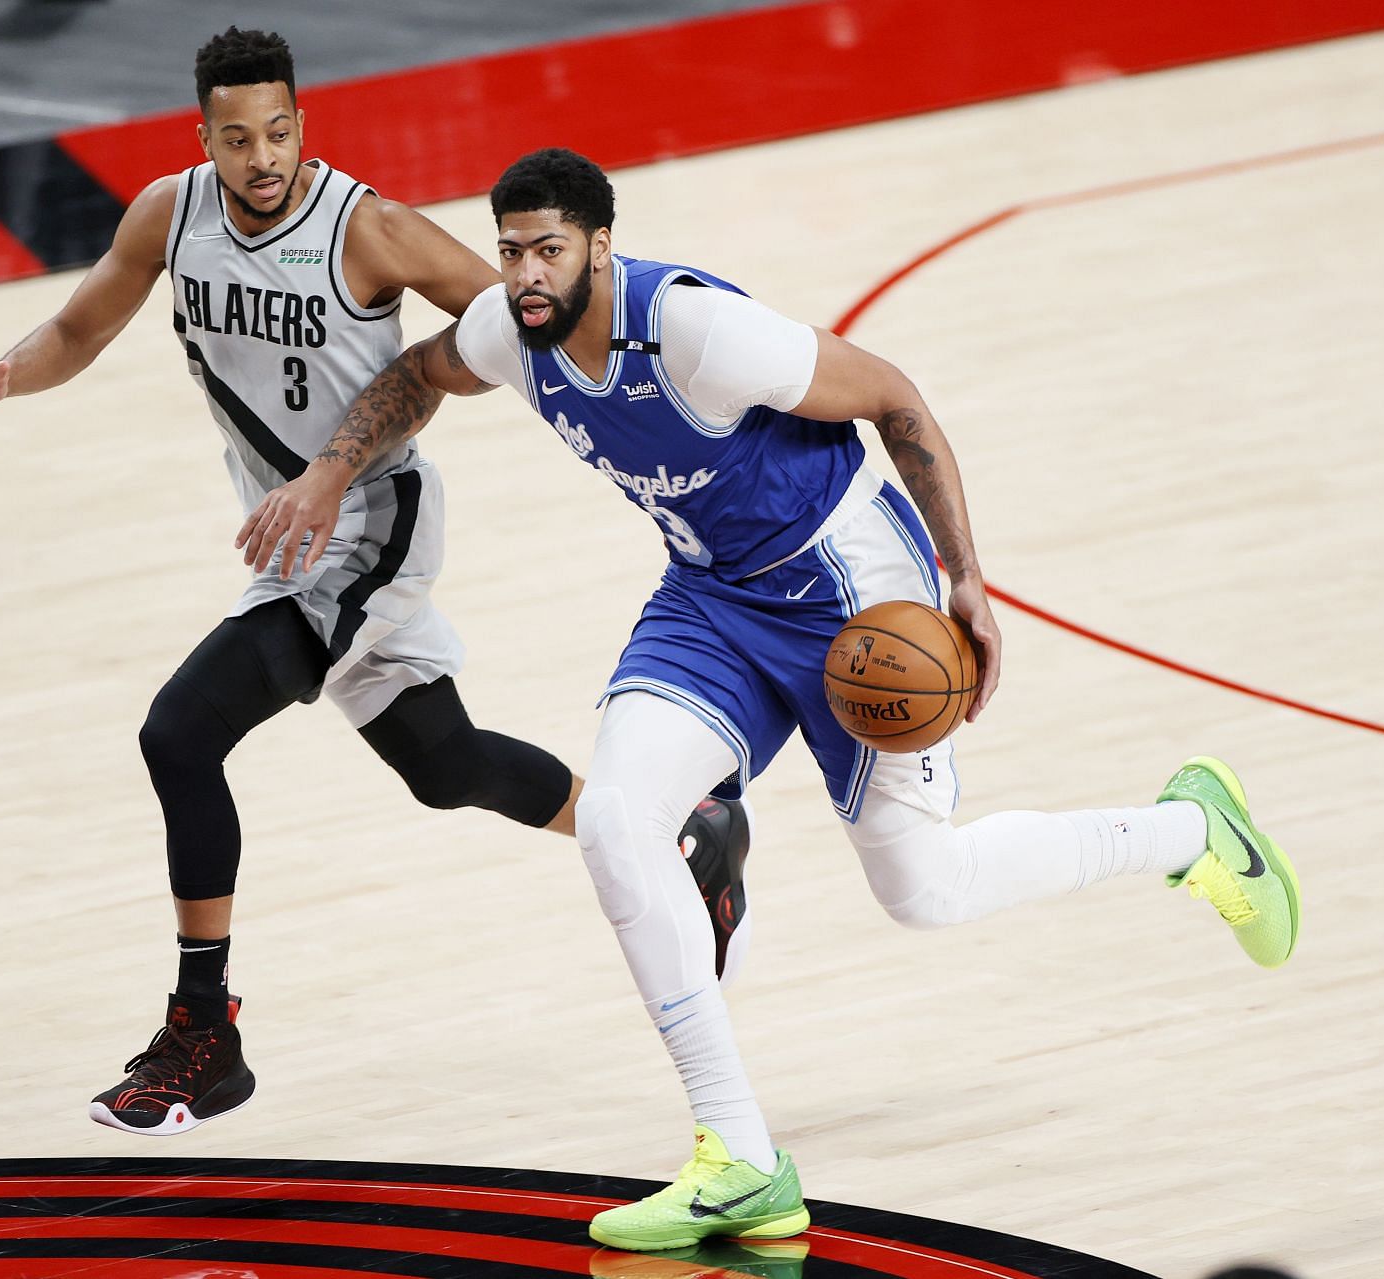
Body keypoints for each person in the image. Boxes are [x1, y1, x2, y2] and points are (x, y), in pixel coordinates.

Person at [254, 147, 1302, 1250]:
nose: (523, 272)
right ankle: (741, 1155)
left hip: (850, 596)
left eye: (547, 249)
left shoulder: (699, 332)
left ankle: (1192, 831)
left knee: (924, 887)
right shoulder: (510, 334)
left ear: (601, 247)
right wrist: (330, 469)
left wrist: (966, 580)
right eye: (510, 249)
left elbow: (895, 399)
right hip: (710, 598)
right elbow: (418, 373)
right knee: (612, 820)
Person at [0, 37, 751, 1137]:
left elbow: (508, 328)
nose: (262, 158)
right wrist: (3, 374)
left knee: (179, 733)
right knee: (445, 768)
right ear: (201, 137)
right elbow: (79, 328)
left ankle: (202, 1030)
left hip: (368, 525)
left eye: (278, 132)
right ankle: (691, 832)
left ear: (302, 124)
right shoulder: (169, 217)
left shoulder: (370, 228)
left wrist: (640, 412)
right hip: (292, 536)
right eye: (236, 138)